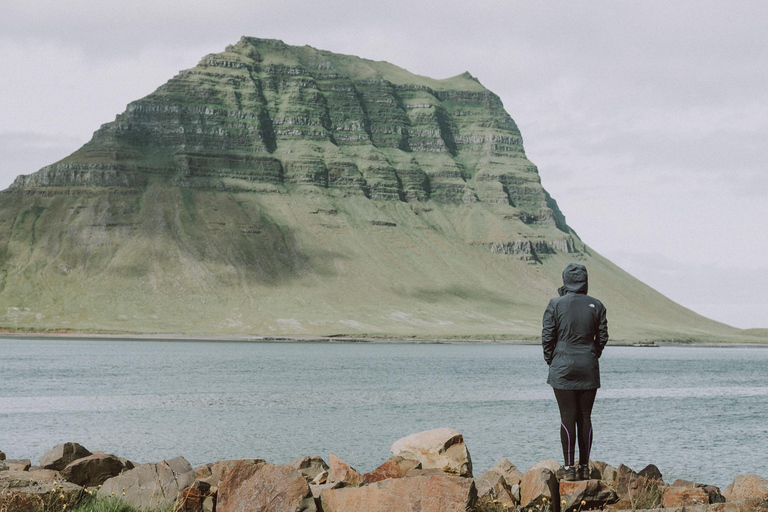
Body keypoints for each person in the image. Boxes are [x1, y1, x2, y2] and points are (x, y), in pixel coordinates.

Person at [542, 263, 608, 481]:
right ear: (585, 281)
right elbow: (603, 336)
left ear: (565, 280)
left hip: (563, 368)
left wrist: (553, 360)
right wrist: (591, 354)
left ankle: (569, 469)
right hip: (588, 367)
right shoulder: (597, 305)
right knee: (585, 416)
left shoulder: (555, 304)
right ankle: (585, 468)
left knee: (567, 416)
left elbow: (547, 337)